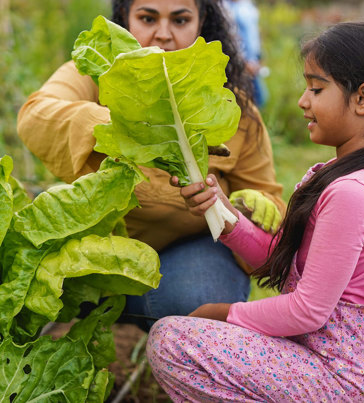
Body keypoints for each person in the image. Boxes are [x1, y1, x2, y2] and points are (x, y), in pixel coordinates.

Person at [146, 22, 364, 402]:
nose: (303, 101)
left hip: (338, 374)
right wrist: (224, 215)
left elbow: (308, 311)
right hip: (339, 362)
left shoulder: (352, 194)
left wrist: (225, 312)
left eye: (317, 88)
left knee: (171, 340)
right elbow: (289, 260)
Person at [17, 0, 285, 333]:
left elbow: (267, 195)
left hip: (183, 254)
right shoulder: (96, 68)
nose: (163, 34)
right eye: (147, 18)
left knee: (204, 297)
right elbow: (36, 115)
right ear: (125, 22)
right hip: (91, 250)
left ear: (202, 24)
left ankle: (162, 331)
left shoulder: (233, 105)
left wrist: (251, 205)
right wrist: (123, 128)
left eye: (180, 20)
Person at [224, 0, 268, 107]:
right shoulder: (224, 7)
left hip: (253, 61)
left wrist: (259, 57)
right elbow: (229, 39)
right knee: (242, 100)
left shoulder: (247, 5)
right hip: (239, 63)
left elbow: (254, 34)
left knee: (259, 99)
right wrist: (242, 63)